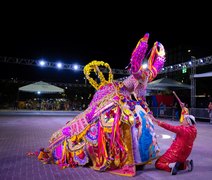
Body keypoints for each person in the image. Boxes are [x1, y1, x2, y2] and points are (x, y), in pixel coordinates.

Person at [33, 33, 166, 177]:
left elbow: (140, 95)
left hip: (124, 99)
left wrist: (159, 55)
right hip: (115, 95)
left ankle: (134, 156)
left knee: (134, 122)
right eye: (147, 70)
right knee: (105, 121)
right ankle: (119, 156)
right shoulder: (138, 75)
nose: (147, 72)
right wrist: (143, 44)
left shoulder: (145, 77)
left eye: (149, 71)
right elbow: (135, 65)